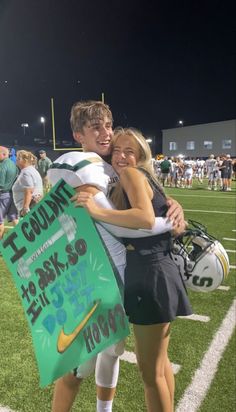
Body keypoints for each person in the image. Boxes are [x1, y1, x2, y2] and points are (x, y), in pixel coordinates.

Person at [47, 100, 186, 412]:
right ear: (77, 134)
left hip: (116, 276)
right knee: (77, 365)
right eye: (96, 127)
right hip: (92, 277)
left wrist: (171, 204)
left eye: (108, 125)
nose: (106, 133)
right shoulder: (83, 165)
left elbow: (136, 207)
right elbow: (129, 226)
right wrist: (168, 221)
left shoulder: (108, 166)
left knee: (111, 352)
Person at [12, 150, 43, 217]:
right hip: (34, 204)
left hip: (30, 206)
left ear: (24, 160)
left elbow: (29, 190)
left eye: (18, 158)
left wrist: (25, 208)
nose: (16, 160)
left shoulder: (26, 172)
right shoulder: (32, 170)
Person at [0, 146, 19, 240]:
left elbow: (1, 184)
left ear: (3, 154)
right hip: (11, 195)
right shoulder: (13, 164)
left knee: (0, 222)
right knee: (14, 219)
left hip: (2, 195)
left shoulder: (2, 166)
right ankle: (23, 241)